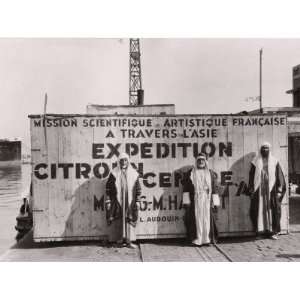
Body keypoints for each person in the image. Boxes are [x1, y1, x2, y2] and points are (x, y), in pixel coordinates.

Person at [248, 142, 286, 240]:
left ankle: (273, 232)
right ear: (260, 149)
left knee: (273, 209)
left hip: (271, 189)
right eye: (263, 148)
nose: (265, 150)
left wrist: (279, 188)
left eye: (267, 148)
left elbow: (279, 175)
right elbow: (251, 175)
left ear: (269, 149)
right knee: (258, 209)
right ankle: (260, 232)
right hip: (259, 189)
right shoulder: (255, 161)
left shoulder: (274, 161)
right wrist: (251, 188)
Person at [181, 153, 220, 246]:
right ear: (196, 162)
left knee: (207, 219)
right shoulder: (191, 173)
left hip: (207, 200)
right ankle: (196, 240)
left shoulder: (210, 173)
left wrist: (215, 202)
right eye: (199, 160)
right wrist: (187, 202)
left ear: (205, 162)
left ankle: (207, 239)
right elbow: (186, 188)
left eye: (203, 160)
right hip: (195, 200)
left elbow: (214, 188)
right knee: (196, 220)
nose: (201, 162)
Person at [105, 153, 141, 248]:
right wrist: (108, 200)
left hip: (130, 201)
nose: (123, 162)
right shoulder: (114, 173)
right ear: (119, 162)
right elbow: (108, 188)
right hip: (118, 201)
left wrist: (137, 201)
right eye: (121, 160)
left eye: (125, 160)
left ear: (128, 161)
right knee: (119, 219)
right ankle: (119, 241)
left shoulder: (134, 174)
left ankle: (129, 241)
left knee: (129, 219)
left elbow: (138, 188)